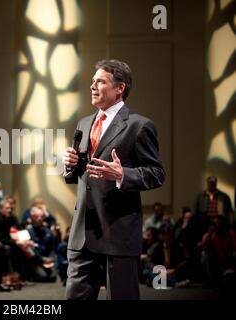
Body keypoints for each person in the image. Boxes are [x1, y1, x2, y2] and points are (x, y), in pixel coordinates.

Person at [63, 59, 165, 300]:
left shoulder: (139, 126)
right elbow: (82, 173)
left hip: (117, 235)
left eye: (100, 81)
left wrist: (123, 174)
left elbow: (157, 173)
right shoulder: (84, 123)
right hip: (82, 234)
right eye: (92, 81)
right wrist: (70, 165)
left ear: (120, 88)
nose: (92, 86)